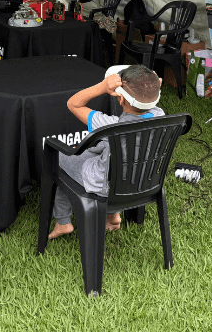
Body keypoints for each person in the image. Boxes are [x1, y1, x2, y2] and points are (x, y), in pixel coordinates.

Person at [48, 64, 165, 239]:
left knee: (60, 156)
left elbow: (73, 103)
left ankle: (63, 222)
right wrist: (152, 83)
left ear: (121, 99)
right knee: (110, 154)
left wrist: (102, 87)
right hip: (144, 180)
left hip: (105, 185)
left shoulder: (111, 126)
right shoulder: (160, 115)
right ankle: (113, 216)